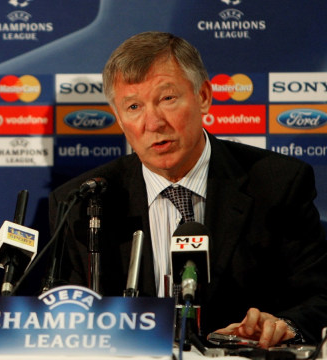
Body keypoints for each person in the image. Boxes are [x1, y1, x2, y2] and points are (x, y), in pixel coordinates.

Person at [48, 31, 327, 347]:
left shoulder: (278, 184)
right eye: (134, 106)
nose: (153, 122)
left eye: (167, 98)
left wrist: (285, 325)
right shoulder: (83, 202)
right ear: (119, 118)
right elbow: (65, 318)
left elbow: (319, 296)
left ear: (204, 96)